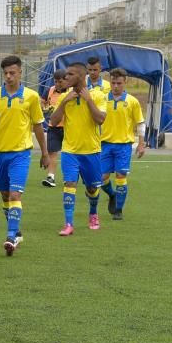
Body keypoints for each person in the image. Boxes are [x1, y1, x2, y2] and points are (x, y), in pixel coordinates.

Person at [0, 56, 48, 256]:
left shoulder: (31, 97)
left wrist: (45, 153)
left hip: (21, 154)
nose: (8, 76)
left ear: (20, 72)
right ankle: (17, 230)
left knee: (15, 195)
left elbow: (38, 126)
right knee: (5, 195)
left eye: (12, 72)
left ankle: (12, 235)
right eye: (5, 73)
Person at [49, 62, 107, 235]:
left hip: (91, 150)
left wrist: (88, 100)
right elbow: (53, 121)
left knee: (92, 188)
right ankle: (69, 224)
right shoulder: (64, 97)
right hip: (70, 150)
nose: (66, 77)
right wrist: (63, 102)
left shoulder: (97, 95)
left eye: (70, 74)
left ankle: (93, 213)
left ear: (81, 76)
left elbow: (100, 119)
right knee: (69, 183)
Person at [99, 68, 146, 220]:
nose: (116, 86)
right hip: (104, 144)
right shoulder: (102, 99)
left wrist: (141, 144)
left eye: (119, 83)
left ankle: (118, 210)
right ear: (110, 82)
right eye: (113, 82)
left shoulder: (132, 101)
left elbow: (140, 123)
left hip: (124, 145)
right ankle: (112, 195)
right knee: (102, 178)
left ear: (125, 82)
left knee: (120, 175)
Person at [41, 69, 69, 187]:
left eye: (60, 82)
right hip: (53, 127)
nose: (58, 84)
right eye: (56, 81)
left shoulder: (71, 92)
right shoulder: (50, 90)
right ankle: (50, 177)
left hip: (69, 128)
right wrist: (45, 108)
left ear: (66, 81)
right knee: (52, 152)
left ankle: (71, 177)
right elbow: (42, 102)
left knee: (71, 153)